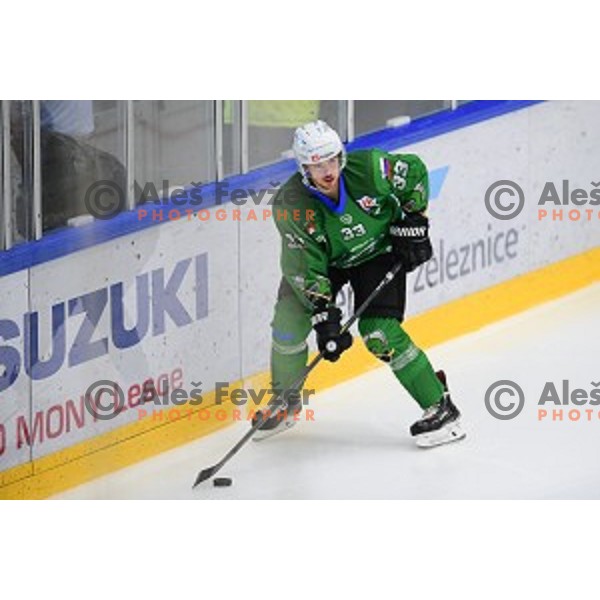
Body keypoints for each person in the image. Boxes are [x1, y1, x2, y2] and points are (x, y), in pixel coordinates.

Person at [253, 120, 465, 448]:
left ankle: (441, 407)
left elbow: (415, 173)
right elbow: (303, 263)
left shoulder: (370, 169)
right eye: (317, 165)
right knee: (288, 322)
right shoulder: (291, 204)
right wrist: (323, 313)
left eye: (332, 160)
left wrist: (414, 220)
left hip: (377, 251)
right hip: (324, 264)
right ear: (302, 167)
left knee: (379, 332)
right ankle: (286, 401)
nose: (327, 171)